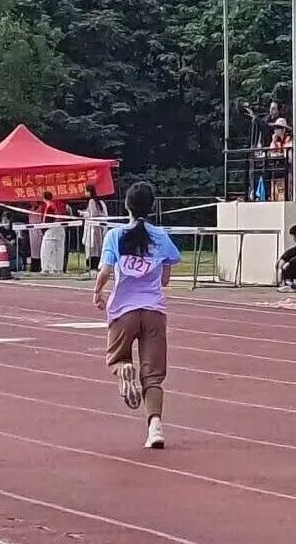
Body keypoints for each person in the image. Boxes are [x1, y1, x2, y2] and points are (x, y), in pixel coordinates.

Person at [93, 182, 181, 449]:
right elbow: (165, 279)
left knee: (116, 359)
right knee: (153, 376)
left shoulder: (115, 235)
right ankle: (155, 428)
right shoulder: (161, 236)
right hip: (154, 311)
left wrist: (97, 292)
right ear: (151, 207)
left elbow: (106, 270)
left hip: (123, 310)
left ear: (127, 206)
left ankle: (124, 370)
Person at [81, 185, 108, 274]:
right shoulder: (100, 202)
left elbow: (93, 214)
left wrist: (84, 214)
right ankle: (96, 266)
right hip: (99, 228)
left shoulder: (92, 201)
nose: (85, 193)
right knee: (97, 247)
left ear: (89, 192)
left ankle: (92, 267)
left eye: (86, 191)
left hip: (93, 228)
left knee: (91, 247)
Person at [39, 191, 66, 274]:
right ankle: (58, 268)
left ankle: (46, 268)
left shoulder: (48, 206)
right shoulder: (58, 205)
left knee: (46, 250)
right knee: (59, 250)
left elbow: (46, 220)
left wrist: (43, 230)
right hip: (60, 229)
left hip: (51, 231)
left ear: (43, 197)